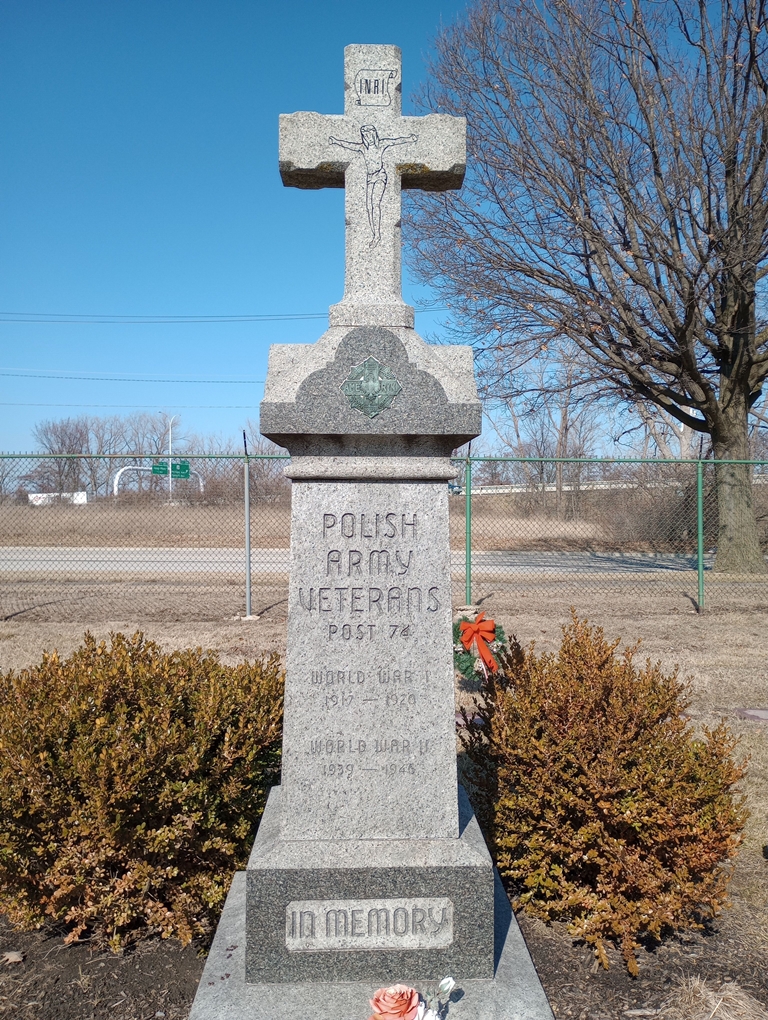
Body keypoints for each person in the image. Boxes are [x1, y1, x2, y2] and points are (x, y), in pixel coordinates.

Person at [329, 125, 417, 246]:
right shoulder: (363, 148)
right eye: (366, 136)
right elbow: (349, 145)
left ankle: (377, 236)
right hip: (370, 178)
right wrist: (336, 141)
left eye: (370, 135)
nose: (369, 138)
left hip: (380, 176)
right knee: (369, 207)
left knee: (375, 204)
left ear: (374, 135)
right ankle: (374, 233)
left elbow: (395, 141)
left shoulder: (381, 145)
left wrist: (409, 139)